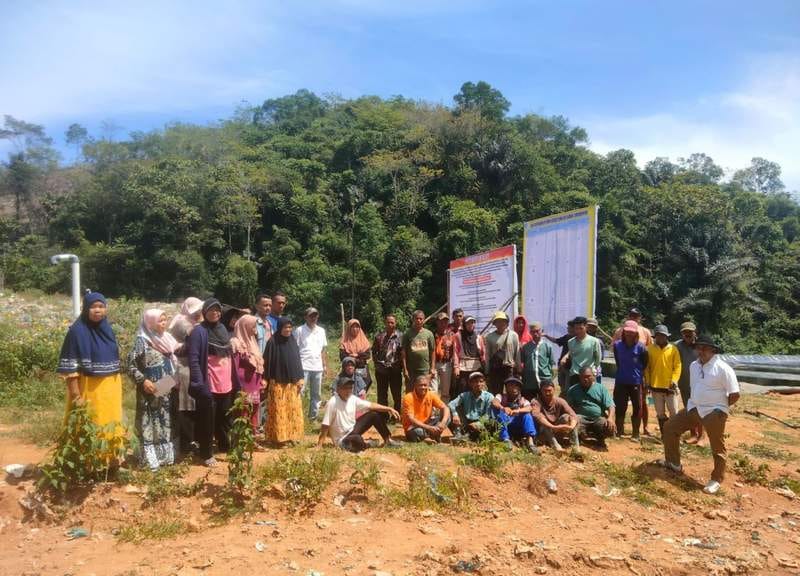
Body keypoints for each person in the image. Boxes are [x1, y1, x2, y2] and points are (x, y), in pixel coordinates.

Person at [660, 334, 740, 495]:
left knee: (717, 446)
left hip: (714, 411)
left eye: (705, 348)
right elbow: (694, 386)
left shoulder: (723, 369)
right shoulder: (693, 366)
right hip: (694, 408)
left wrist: (720, 407)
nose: (701, 351)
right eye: (699, 348)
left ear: (712, 350)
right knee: (669, 428)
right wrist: (692, 404)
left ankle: (716, 479)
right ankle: (674, 463)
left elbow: (734, 394)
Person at [57, 291, 124, 458]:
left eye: (101, 306)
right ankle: (86, 465)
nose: (98, 310)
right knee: (88, 424)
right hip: (88, 389)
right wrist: (75, 395)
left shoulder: (107, 331)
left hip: (110, 390)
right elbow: (70, 367)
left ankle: (109, 460)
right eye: (93, 307)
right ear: (86, 309)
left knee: (109, 423)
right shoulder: (77, 332)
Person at [186, 298, 239, 467]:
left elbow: (229, 353)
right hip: (209, 381)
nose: (215, 313)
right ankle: (206, 453)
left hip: (225, 381)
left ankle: (224, 445)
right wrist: (198, 382)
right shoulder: (199, 332)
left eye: (217, 310)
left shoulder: (222, 329)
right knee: (207, 418)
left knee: (225, 415)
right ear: (204, 312)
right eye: (211, 310)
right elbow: (193, 359)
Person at [128, 309, 179, 470]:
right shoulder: (142, 341)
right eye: (160, 321)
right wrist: (143, 381)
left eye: (165, 320)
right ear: (150, 322)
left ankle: (165, 458)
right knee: (149, 421)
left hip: (166, 386)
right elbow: (129, 365)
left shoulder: (167, 338)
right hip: (149, 388)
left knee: (165, 420)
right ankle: (150, 460)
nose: (164, 323)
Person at [317, 376, 401, 452]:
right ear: (338, 389)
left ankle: (388, 440)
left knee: (373, 415)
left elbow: (371, 405)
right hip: (342, 439)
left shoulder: (352, 398)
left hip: (352, 430)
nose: (348, 391)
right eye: (345, 388)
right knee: (357, 439)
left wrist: (389, 409)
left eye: (350, 388)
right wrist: (319, 445)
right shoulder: (333, 402)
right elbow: (325, 425)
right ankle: (367, 444)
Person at [168, 296, 203, 457]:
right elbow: (195, 339)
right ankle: (186, 443)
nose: (198, 313)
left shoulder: (189, 322)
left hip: (189, 367)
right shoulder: (183, 323)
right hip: (183, 368)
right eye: (195, 310)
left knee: (190, 404)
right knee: (185, 405)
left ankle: (190, 441)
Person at [263, 317, 305, 446]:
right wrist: (266, 379)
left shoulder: (293, 342)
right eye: (285, 327)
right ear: (280, 328)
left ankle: (292, 436)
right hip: (278, 383)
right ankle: (279, 438)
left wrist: (300, 378)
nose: (288, 330)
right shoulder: (272, 342)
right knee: (279, 411)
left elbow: (297, 362)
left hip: (292, 383)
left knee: (292, 410)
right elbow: (267, 362)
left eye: (290, 327)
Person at [612, 321, 648, 440]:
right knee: (620, 406)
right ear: (624, 331)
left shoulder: (641, 347)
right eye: (627, 331)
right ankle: (619, 431)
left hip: (636, 381)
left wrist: (638, 374)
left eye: (632, 332)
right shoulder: (617, 345)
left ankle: (636, 433)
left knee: (637, 407)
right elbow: (618, 361)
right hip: (621, 380)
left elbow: (644, 363)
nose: (629, 334)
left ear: (636, 333)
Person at [566, 366, 616, 451]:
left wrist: (610, 418)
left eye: (588, 376)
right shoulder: (573, 390)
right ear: (579, 377)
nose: (586, 379)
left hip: (598, 418)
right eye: (583, 377)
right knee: (572, 423)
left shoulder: (601, 388)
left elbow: (611, 406)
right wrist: (571, 417)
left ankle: (600, 439)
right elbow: (567, 407)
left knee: (608, 426)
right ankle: (579, 438)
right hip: (581, 418)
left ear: (593, 376)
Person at [230, 314, 264, 435]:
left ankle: (252, 438)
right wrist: (238, 386)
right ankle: (241, 439)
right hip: (243, 385)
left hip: (254, 384)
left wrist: (260, 382)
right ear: (245, 326)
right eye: (253, 326)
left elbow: (258, 366)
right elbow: (235, 365)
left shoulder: (252, 341)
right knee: (243, 411)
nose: (255, 330)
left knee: (254, 410)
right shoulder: (236, 343)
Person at [645, 325, 682, 436]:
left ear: (667, 336)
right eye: (658, 335)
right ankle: (664, 434)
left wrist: (674, 380)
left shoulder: (673, 349)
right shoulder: (650, 349)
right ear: (655, 336)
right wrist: (647, 382)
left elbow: (678, 366)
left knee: (674, 412)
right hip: (655, 386)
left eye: (663, 335)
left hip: (670, 386)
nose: (661, 337)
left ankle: (674, 434)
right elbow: (647, 368)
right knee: (660, 413)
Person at [294, 307, 328, 420]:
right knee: (300, 391)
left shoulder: (321, 331)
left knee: (316, 394)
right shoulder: (299, 330)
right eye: (311, 316)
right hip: (303, 366)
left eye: (315, 315)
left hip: (317, 366)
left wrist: (325, 365)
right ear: (306, 317)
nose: (313, 318)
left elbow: (323, 350)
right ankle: (298, 416)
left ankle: (313, 417)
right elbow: (295, 349)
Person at [448, 372, 496, 443]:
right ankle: (458, 433)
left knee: (490, 423)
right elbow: (451, 404)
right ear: (470, 384)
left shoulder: (489, 397)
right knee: (449, 410)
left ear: (484, 383)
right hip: (466, 422)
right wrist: (455, 415)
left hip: (482, 423)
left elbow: (488, 415)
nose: (478, 384)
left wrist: (478, 424)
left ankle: (466, 437)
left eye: (481, 381)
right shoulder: (465, 395)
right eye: (475, 382)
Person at [492, 377, 538, 452]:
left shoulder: (522, 400)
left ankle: (530, 442)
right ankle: (505, 440)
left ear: (520, 389)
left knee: (527, 415)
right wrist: (503, 408)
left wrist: (518, 410)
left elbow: (529, 408)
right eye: (511, 385)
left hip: (517, 426)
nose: (514, 388)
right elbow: (494, 402)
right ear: (506, 388)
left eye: (516, 386)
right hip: (504, 425)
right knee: (499, 412)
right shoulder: (500, 396)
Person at [674, 321, 702, 443]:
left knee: (701, 408)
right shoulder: (677, 346)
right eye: (685, 333)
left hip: (700, 383)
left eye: (690, 332)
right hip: (684, 383)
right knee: (689, 409)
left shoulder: (701, 345)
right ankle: (693, 434)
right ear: (681, 334)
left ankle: (703, 436)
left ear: (695, 333)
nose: (688, 335)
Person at [402, 375, 451, 443]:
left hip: (427, 424)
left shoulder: (431, 395)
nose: (423, 387)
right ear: (415, 386)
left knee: (447, 416)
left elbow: (445, 408)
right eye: (420, 385)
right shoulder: (408, 398)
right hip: (413, 426)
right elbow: (411, 419)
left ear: (428, 386)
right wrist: (429, 428)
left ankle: (430, 436)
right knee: (418, 431)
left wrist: (443, 423)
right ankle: (431, 436)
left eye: (425, 385)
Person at [532, 381, 579, 451]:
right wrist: (553, 427)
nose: (547, 393)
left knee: (567, 417)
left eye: (549, 390)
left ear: (554, 390)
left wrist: (571, 426)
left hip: (557, 431)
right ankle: (556, 447)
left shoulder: (560, 401)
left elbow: (573, 414)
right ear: (541, 391)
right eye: (545, 391)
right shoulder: (536, 401)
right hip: (543, 434)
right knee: (544, 424)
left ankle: (576, 448)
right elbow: (537, 416)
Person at [372, 314, 404, 415]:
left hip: (395, 370)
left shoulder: (400, 336)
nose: (390, 324)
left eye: (392, 322)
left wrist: (400, 366)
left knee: (396, 394)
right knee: (382, 395)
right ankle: (383, 415)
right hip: (381, 371)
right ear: (385, 323)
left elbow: (403, 353)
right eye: (388, 322)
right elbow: (373, 352)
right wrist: (377, 364)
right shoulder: (379, 336)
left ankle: (397, 415)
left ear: (395, 323)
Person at [484, 311, 521, 395]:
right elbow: (487, 355)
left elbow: (517, 353)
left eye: (502, 320)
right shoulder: (490, 336)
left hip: (509, 368)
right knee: (496, 393)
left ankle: (510, 408)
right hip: (495, 369)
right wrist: (486, 371)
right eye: (498, 321)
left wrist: (519, 370)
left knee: (511, 392)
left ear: (507, 322)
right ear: (495, 323)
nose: (500, 323)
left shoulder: (513, 335)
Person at [520, 321, 557, 400]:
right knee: (530, 401)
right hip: (529, 381)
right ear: (530, 332)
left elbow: (551, 363)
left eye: (537, 331)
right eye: (533, 332)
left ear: (542, 331)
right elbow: (522, 362)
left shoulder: (548, 346)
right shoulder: (526, 347)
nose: (535, 334)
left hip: (544, 379)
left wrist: (548, 376)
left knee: (545, 401)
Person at [562, 317, 602, 388]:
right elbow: (572, 357)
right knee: (574, 397)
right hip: (575, 375)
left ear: (586, 327)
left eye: (581, 328)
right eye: (576, 328)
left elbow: (598, 359)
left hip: (589, 375)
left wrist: (593, 371)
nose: (578, 331)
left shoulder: (594, 341)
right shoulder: (570, 342)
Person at [402, 310, 436, 391]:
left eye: (421, 319)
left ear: (424, 320)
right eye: (417, 318)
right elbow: (403, 352)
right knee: (410, 391)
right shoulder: (407, 334)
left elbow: (432, 351)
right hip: (411, 371)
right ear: (413, 319)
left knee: (424, 391)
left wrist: (432, 368)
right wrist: (405, 369)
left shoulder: (429, 334)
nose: (419, 320)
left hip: (425, 370)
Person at [452, 316, 486, 398]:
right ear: (464, 324)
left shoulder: (478, 337)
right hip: (463, 367)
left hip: (476, 366)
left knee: (476, 389)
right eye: (468, 323)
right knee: (463, 389)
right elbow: (455, 352)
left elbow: (483, 352)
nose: (471, 325)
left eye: (473, 322)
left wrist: (485, 364)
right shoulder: (458, 336)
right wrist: (456, 367)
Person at [339, 319, 373, 392]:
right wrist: (358, 357)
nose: (355, 329)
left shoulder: (364, 340)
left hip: (361, 370)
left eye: (357, 327)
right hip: (348, 371)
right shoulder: (344, 341)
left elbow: (367, 355)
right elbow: (342, 356)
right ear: (349, 328)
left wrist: (353, 356)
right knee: (348, 391)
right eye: (352, 327)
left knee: (361, 391)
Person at [545, 320, 574, 396]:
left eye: (569, 327)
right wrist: (546, 336)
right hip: (562, 366)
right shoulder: (566, 337)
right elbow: (556, 340)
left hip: (570, 367)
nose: (567, 329)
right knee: (561, 385)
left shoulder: (577, 339)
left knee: (568, 388)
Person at [433, 312, 455, 402]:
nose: (443, 324)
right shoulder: (432, 334)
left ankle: (444, 413)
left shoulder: (451, 335)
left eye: (445, 321)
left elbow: (455, 350)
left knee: (445, 392)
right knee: (433, 390)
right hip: (434, 364)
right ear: (437, 322)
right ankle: (433, 414)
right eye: (441, 321)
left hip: (446, 364)